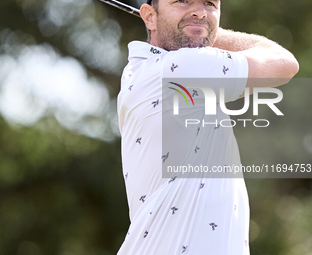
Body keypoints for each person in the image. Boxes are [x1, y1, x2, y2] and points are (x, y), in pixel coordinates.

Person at [116, 0, 299, 254]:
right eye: (183, 1)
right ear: (149, 17)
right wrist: (209, 30)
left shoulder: (140, 71)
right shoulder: (181, 68)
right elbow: (283, 62)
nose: (199, 11)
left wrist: (194, 25)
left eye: (209, 3)